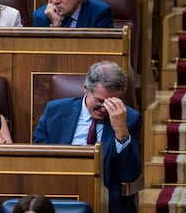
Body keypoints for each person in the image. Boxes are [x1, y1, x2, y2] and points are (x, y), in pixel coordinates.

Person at [33, 61, 141, 213]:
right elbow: (37, 160)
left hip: (106, 202)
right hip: (57, 194)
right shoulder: (55, 111)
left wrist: (121, 131)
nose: (104, 109)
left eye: (112, 103)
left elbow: (129, 174)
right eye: (100, 101)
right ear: (85, 89)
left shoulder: (130, 119)